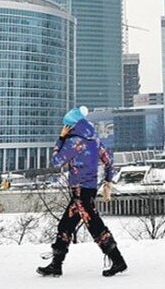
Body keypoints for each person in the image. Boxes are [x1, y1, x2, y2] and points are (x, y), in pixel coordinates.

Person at [37, 106, 128, 278]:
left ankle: (118, 261)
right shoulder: (95, 140)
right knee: (66, 225)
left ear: (71, 126)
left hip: (79, 190)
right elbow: (109, 161)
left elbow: (56, 162)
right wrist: (108, 181)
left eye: (66, 126)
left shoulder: (74, 142)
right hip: (90, 189)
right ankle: (56, 265)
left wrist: (61, 138)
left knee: (95, 226)